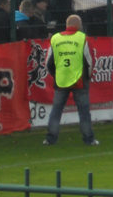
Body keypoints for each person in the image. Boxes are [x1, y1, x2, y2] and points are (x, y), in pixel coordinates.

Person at [43, 14, 99, 146]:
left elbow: (48, 62)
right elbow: (90, 61)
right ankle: (88, 139)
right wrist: (88, 77)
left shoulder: (55, 38)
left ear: (67, 25)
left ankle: (50, 139)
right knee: (84, 112)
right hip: (79, 80)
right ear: (78, 25)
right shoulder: (83, 38)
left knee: (56, 110)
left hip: (61, 79)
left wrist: (55, 75)